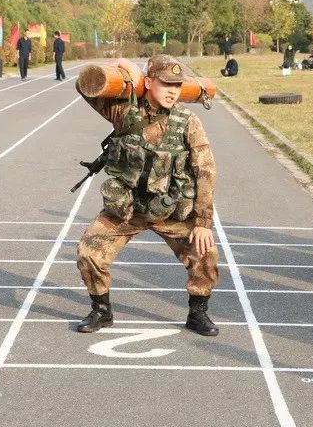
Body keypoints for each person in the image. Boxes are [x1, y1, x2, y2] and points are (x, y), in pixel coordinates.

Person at [75, 55, 220, 336]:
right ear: (149, 82)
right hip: (129, 209)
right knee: (88, 251)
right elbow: (87, 86)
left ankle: (198, 313)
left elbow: (206, 170)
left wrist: (203, 222)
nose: (173, 91)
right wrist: (127, 71)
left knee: (206, 254)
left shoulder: (188, 121)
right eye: (166, 83)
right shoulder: (124, 112)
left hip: (172, 209)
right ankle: (101, 311)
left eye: (177, 85)